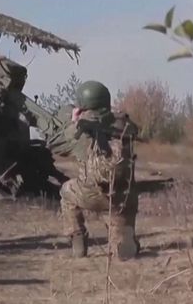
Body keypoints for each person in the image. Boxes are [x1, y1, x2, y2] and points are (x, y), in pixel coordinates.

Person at [46, 81, 140, 261]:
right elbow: (132, 129)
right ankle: (122, 237)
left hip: (93, 194)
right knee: (123, 246)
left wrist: (74, 122)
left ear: (82, 105)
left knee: (66, 191)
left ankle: (78, 240)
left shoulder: (81, 130)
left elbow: (54, 145)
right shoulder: (124, 125)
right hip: (124, 197)